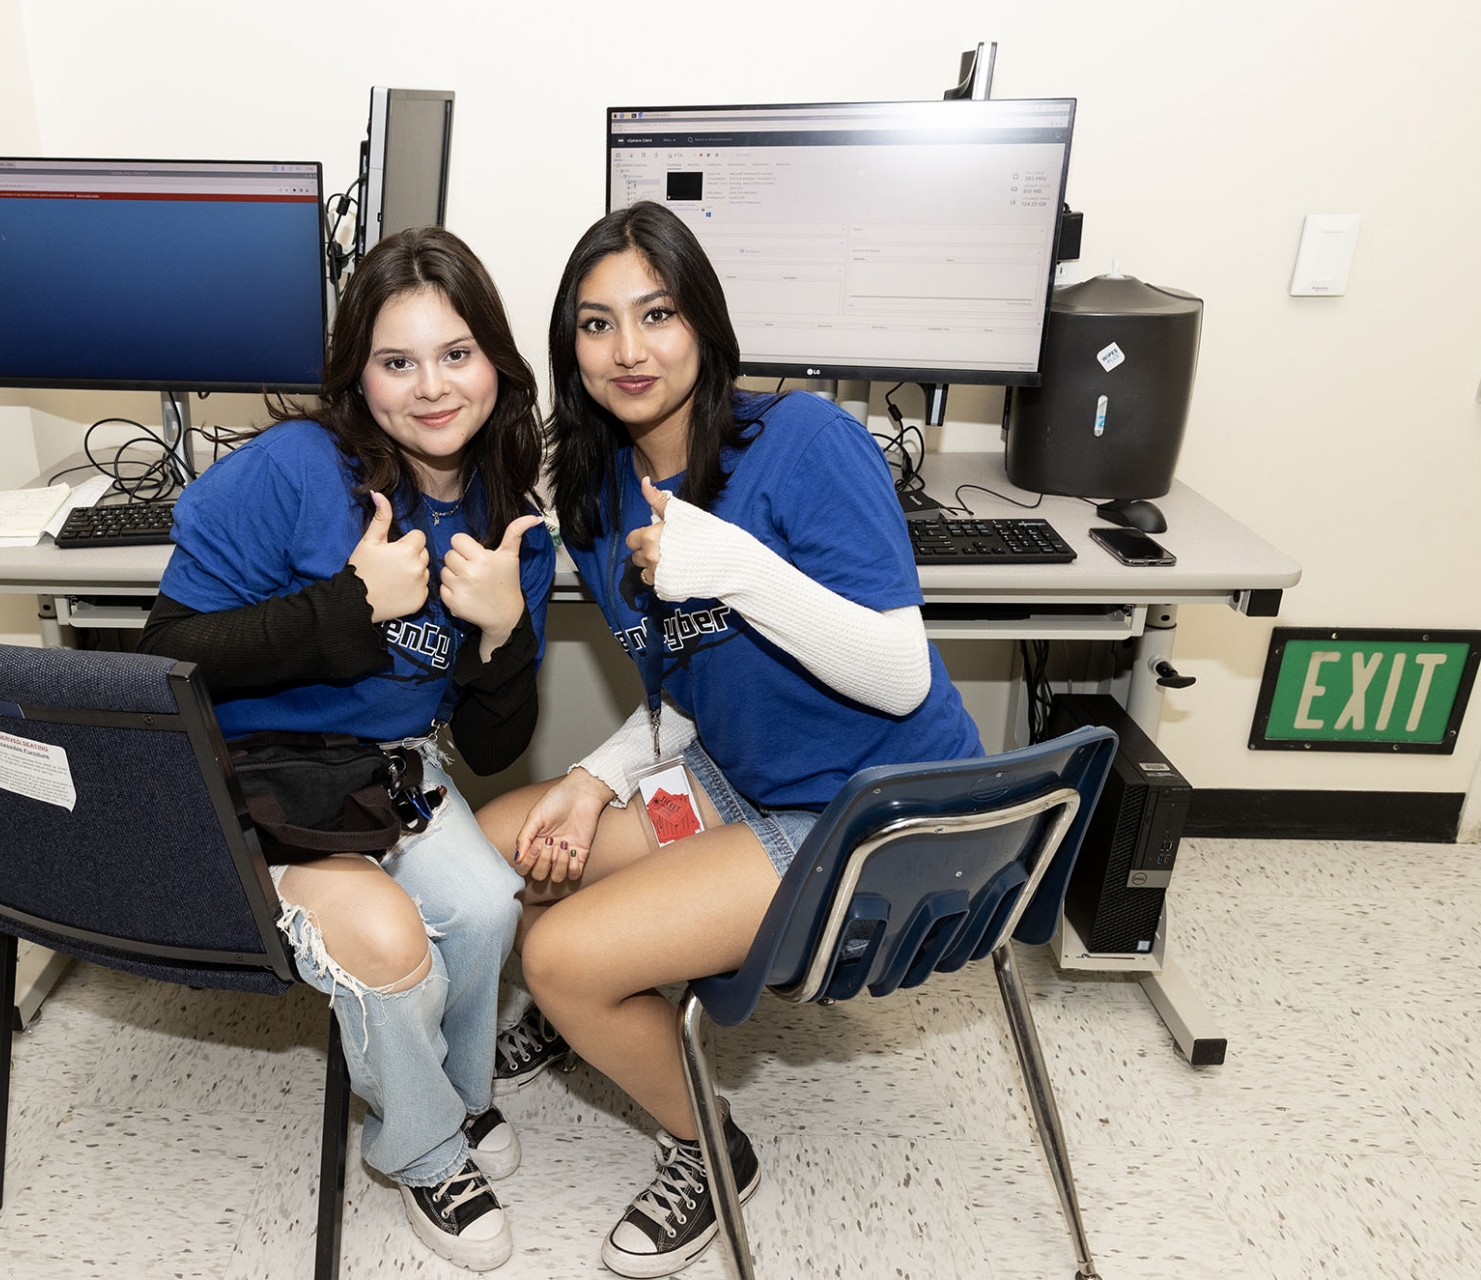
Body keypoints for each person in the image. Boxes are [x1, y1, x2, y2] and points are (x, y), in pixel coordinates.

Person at [476, 202, 983, 1278]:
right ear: (570, 345)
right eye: (596, 323)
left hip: (875, 808)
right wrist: (587, 777)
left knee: (558, 955)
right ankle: (601, 1015)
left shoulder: (805, 442)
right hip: (743, 775)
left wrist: (739, 565)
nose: (629, 349)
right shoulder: (602, 489)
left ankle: (708, 1151)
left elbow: (898, 673)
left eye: (656, 313)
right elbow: (689, 685)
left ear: (701, 320)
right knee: (502, 844)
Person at [139, 226, 555, 1272]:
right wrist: (345, 608)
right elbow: (164, 656)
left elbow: (498, 746)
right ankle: (420, 1150)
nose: (430, 387)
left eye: (455, 354)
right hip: (258, 770)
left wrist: (501, 635)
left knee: (487, 900)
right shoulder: (289, 470)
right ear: (357, 377)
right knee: (382, 937)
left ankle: (454, 1103)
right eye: (396, 360)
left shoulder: (508, 519)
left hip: (390, 767)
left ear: (496, 363)